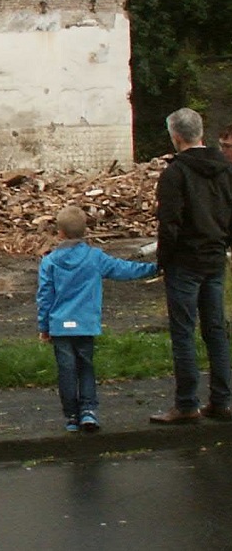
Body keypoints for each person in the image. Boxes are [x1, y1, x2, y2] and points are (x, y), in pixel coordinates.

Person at [37, 205, 158, 433]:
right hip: (85, 323)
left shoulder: (49, 262)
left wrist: (44, 326)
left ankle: (71, 416)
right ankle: (88, 411)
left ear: (59, 233)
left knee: (66, 370)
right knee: (86, 366)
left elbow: (45, 297)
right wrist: (153, 269)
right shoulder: (94, 257)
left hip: (60, 325)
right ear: (85, 231)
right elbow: (123, 269)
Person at [149, 107, 232, 425]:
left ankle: (186, 404)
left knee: (183, 332)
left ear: (176, 136)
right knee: (216, 331)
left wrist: (163, 260)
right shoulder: (224, 169)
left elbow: (169, 222)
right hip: (214, 257)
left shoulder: (175, 173)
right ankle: (222, 401)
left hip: (185, 260)